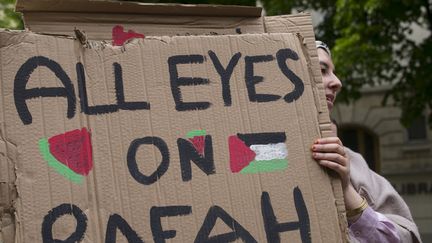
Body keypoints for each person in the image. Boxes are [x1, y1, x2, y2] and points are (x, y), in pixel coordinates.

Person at [311, 41, 422, 243]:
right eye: (322, 70)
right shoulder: (255, 159)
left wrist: (347, 192)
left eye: (333, 72)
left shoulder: (355, 164)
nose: (337, 82)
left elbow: (403, 239)